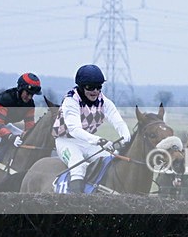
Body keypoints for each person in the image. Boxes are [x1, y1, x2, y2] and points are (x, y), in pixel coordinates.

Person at [51, 64, 131, 193]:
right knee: (79, 165)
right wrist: (98, 140)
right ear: (81, 87)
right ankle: (74, 203)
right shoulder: (71, 101)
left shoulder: (105, 102)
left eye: (98, 87)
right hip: (65, 141)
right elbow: (74, 130)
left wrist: (126, 139)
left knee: (110, 160)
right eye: (90, 87)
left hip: (86, 142)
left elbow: (119, 123)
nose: (95, 91)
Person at [0, 72, 42, 149]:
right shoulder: (4, 99)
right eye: (27, 93)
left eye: (32, 95)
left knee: (25, 138)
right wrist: (11, 137)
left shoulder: (30, 105)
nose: (30, 97)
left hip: (4, 124)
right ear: (20, 89)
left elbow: (29, 126)